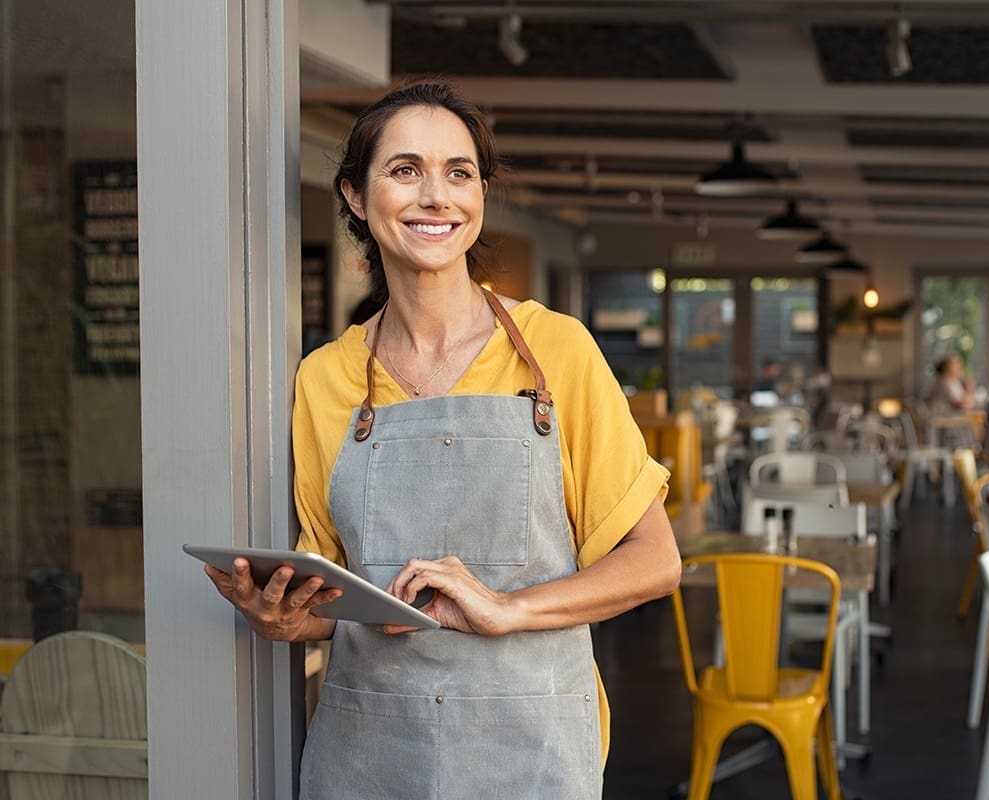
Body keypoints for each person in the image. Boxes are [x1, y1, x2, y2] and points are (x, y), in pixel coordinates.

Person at [201, 80, 682, 798]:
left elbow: (655, 561)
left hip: (533, 753)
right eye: (405, 171)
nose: (436, 196)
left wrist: (508, 608)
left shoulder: (557, 353)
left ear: (480, 196)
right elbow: (334, 598)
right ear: (357, 197)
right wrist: (285, 621)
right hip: (370, 754)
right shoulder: (325, 378)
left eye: (459, 173)